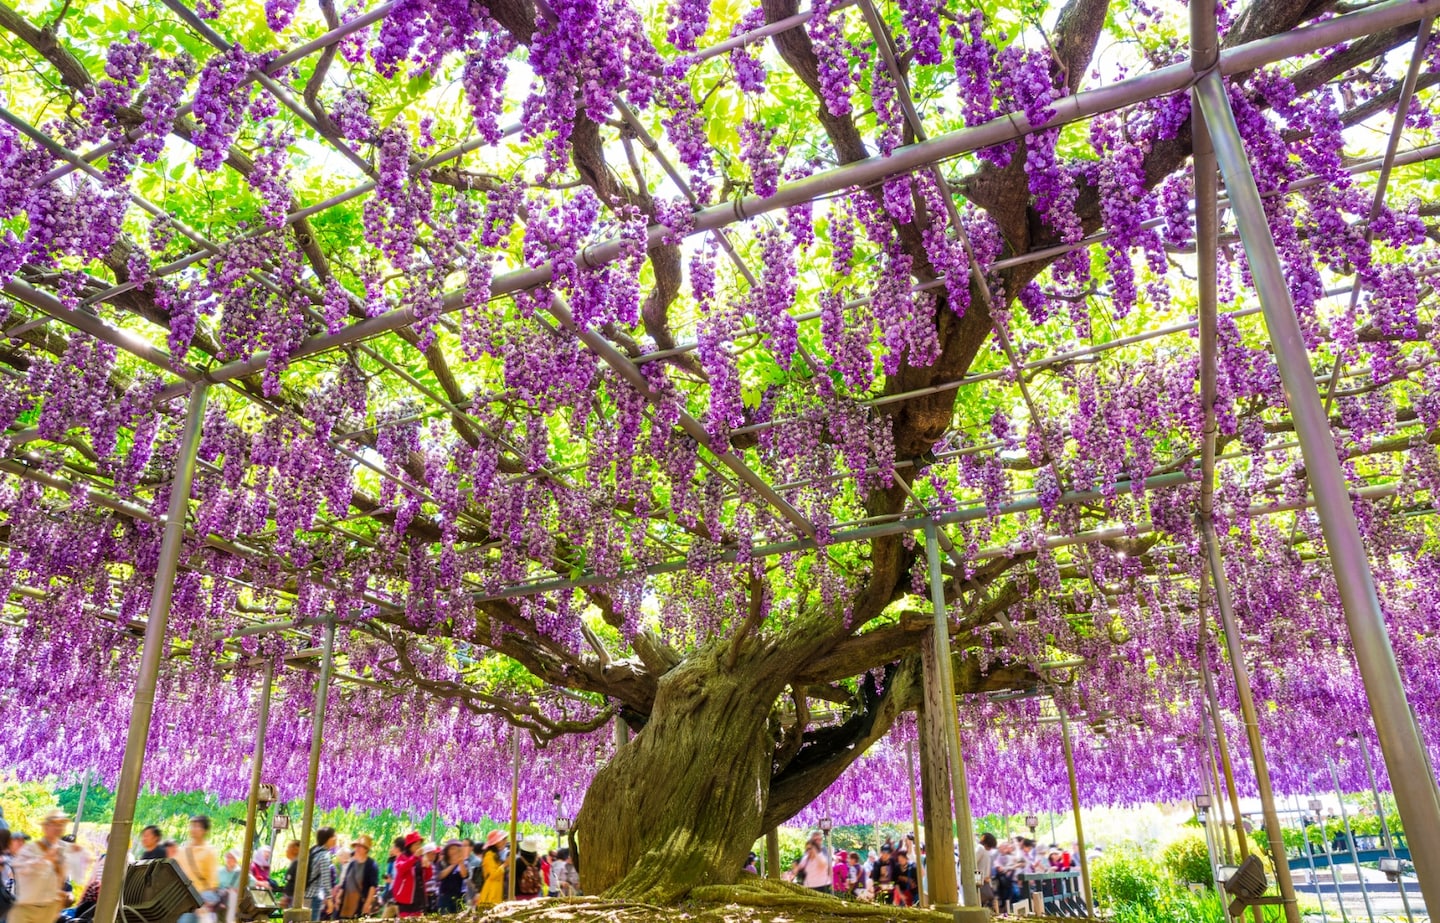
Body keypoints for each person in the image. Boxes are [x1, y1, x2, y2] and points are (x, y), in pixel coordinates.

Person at [11, 810, 70, 923]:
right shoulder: (31, 849)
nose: (59, 827)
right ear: (46, 827)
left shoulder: (64, 850)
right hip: (26, 908)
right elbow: (21, 870)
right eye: (55, 823)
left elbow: (62, 878)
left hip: (49, 909)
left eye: (62, 824)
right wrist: (44, 859)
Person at [177, 816, 221, 923]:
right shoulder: (183, 851)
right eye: (192, 826)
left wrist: (205, 903)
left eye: (197, 826)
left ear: (204, 830)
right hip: (181, 899)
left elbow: (213, 883)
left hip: (199, 899)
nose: (193, 829)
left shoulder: (209, 852)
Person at [337, 838, 378, 919]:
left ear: (366, 849)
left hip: (359, 903)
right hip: (346, 902)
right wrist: (339, 896)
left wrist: (368, 903)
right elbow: (345, 882)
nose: (357, 848)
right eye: (356, 846)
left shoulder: (371, 864)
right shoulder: (352, 863)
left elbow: (373, 886)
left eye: (360, 846)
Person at [303, 828, 337, 921]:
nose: (336, 838)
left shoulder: (313, 851)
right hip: (314, 895)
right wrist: (329, 899)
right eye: (334, 836)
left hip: (304, 893)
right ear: (328, 839)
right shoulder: (324, 855)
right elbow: (326, 878)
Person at [390, 833, 427, 919]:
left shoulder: (421, 858)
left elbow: (427, 877)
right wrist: (414, 857)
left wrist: (427, 867)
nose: (419, 846)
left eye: (420, 844)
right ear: (410, 846)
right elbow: (402, 869)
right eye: (416, 844)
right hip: (405, 900)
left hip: (419, 898)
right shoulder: (401, 858)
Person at [434, 842, 467, 914]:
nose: (454, 851)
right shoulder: (441, 863)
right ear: (447, 850)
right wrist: (453, 864)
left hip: (458, 897)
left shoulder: (464, 863)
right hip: (444, 897)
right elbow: (439, 876)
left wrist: (460, 862)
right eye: (452, 849)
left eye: (457, 849)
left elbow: (464, 875)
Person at [475, 832, 506, 904]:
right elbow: (493, 874)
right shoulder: (489, 856)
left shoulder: (495, 855)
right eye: (503, 839)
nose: (505, 841)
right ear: (496, 842)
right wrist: (505, 865)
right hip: (491, 892)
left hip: (496, 890)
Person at [976, 833, 997, 909]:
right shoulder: (980, 848)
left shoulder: (984, 850)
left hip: (984, 880)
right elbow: (974, 864)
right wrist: (979, 880)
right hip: (981, 881)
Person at [277, 841, 300, 909]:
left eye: (288, 848)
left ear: (295, 850)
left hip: (294, 899)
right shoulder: (294, 863)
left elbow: (296, 882)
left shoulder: (298, 864)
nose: (286, 850)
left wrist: (287, 896)